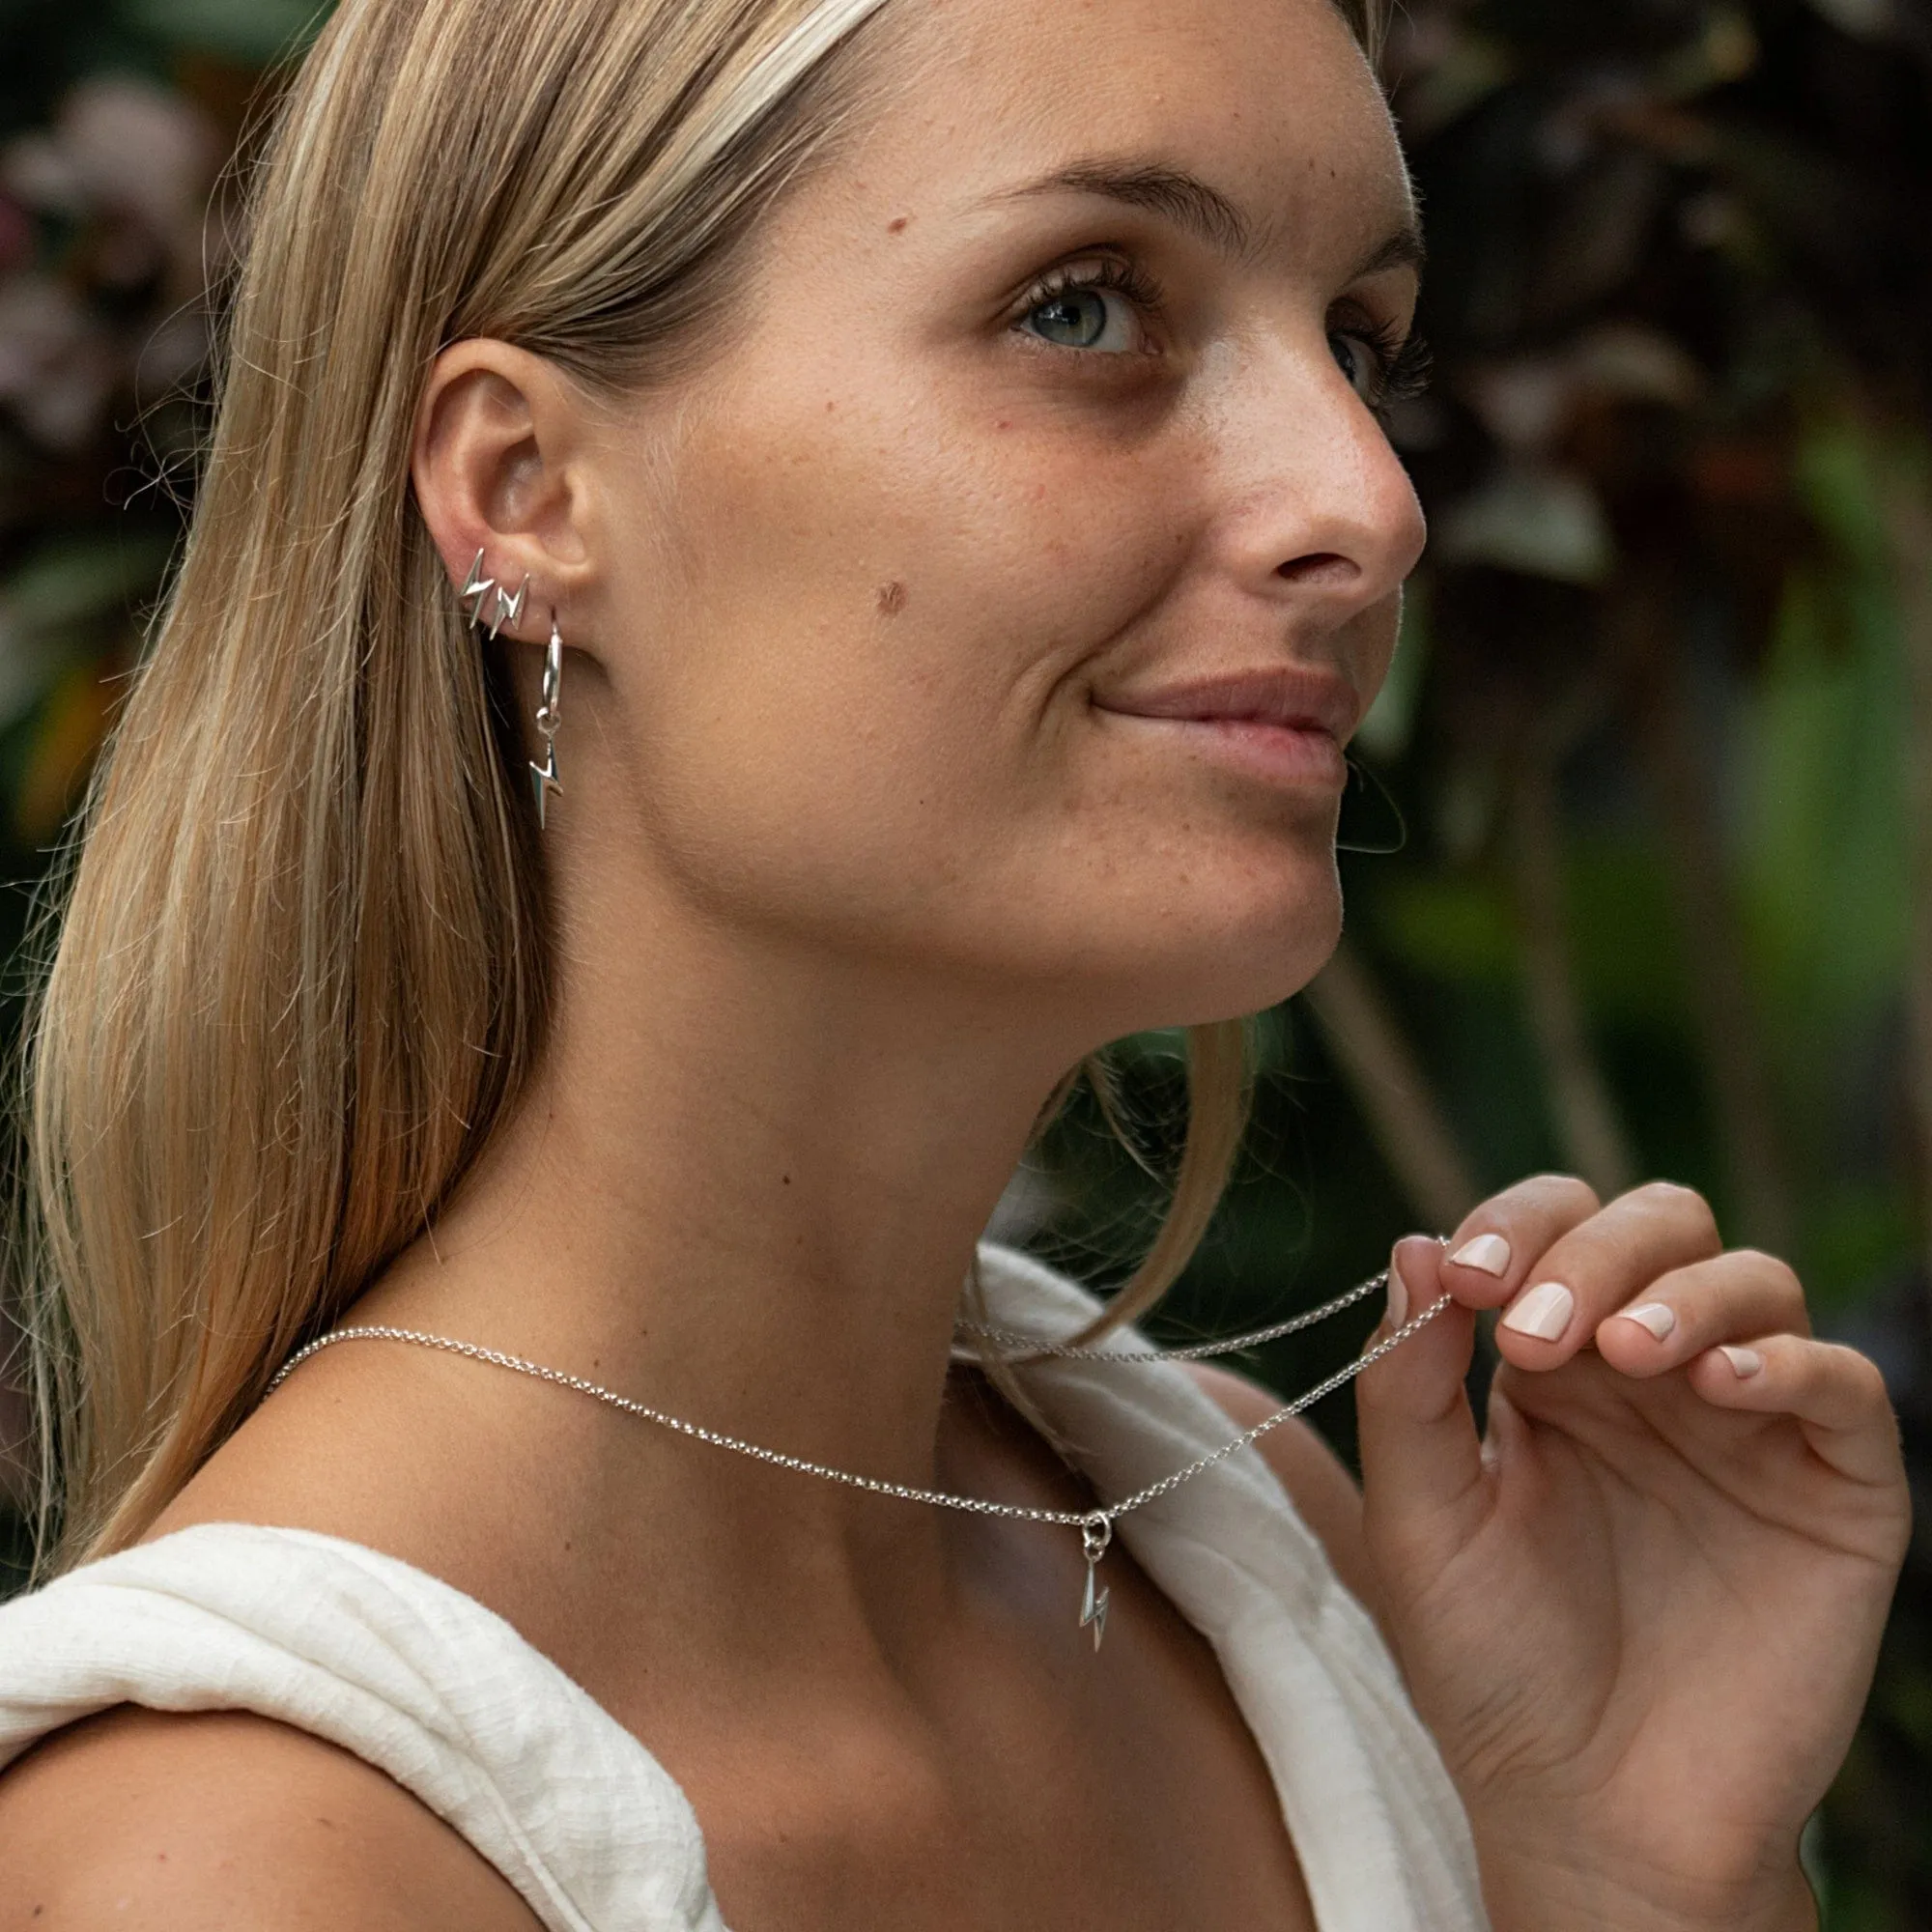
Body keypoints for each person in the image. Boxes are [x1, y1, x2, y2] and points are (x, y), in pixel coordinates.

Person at [0, 0, 1908, 1924]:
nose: (1368, 501)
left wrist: (1612, 1879)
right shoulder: (254, 1852)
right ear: (526, 491)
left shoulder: (1238, 1557)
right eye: (1083, 308)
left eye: (1357, 341)